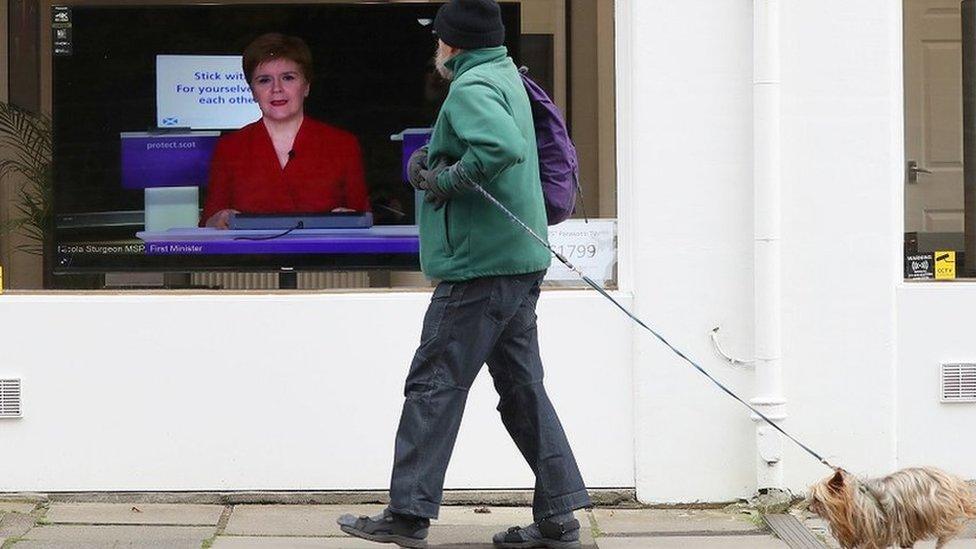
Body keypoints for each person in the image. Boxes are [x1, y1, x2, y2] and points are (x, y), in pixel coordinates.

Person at [337, 1, 590, 548]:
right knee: (523, 389)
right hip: (517, 261)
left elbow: (501, 147)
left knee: (433, 384)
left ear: (451, 42)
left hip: (480, 268)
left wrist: (446, 180)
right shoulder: (503, 74)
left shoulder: (471, 87)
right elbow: (488, 141)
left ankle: (406, 516)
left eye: (439, 37)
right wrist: (433, 156)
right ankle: (560, 517)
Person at [201, 33, 370, 229]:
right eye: (264, 80)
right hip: (251, 258)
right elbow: (208, 224)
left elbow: (364, 220)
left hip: (322, 257)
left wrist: (352, 220)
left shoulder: (343, 145)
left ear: (306, 86)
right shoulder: (229, 148)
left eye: (288, 78)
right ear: (253, 92)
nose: (277, 89)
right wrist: (217, 220)